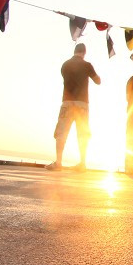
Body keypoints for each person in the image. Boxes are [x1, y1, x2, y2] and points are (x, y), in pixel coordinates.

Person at [47, 43, 100, 171]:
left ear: (75, 51)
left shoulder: (65, 65)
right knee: (82, 133)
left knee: (61, 132)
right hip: (82, 103)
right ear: (84, 53)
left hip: (67, 102)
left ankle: (58, 162)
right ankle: (82, 163)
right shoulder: (87, 65)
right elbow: (98, 81)